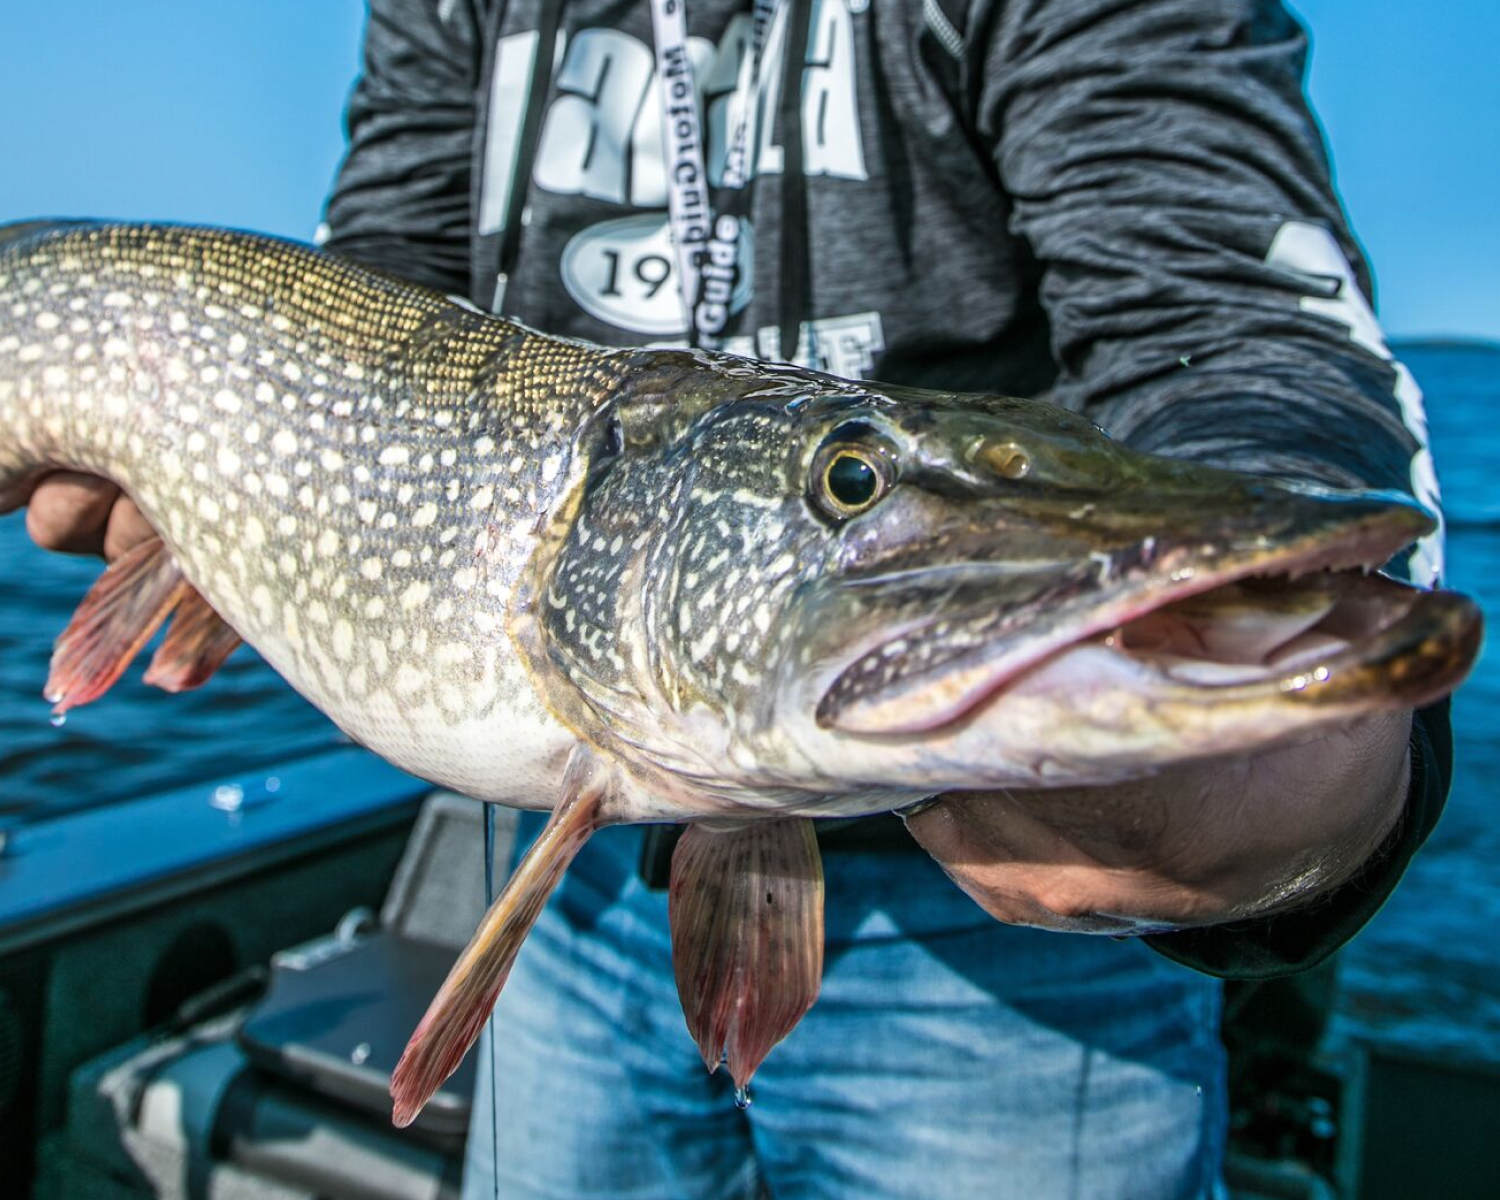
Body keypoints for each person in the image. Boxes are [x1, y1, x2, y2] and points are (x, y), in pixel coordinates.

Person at [24, 0, 1452, 1196]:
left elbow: (1223, 313)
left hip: (1003, 957)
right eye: (849, 490)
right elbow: (387, 278)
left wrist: (1308, 767)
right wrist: (223, 479)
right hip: (563, 900)